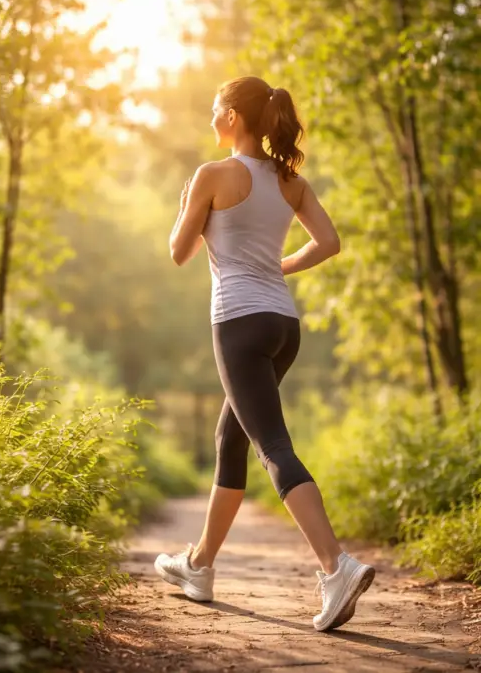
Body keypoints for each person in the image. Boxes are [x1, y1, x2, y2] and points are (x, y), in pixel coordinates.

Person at [155, 75, 374, 632]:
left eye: (214, 111)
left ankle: (335, 566)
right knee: (231, 438)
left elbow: (178, 254)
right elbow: (329, 243)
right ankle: (199, 566)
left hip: (238, 324)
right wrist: (280, 268)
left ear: (232, 116)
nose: (209, 120)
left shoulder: (211, 175)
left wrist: (188, 206)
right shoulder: (289, 180)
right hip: (283, 324)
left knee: (272, 446)